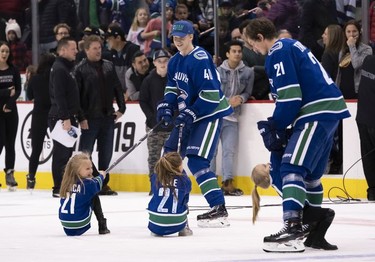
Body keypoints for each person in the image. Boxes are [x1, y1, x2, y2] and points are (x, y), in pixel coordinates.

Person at [244, 18, 350, 252]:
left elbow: (291, 97)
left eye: (253, 44)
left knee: (291, 167)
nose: (254, 50)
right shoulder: (292, 46)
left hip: (315, 113)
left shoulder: (278, 52)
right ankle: (314, 232)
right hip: (328, 112)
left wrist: (276, 125)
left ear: (261, 37)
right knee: (311, 176)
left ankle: (293, 227)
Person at [156, 20, 233, 227]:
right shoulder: (173, 62)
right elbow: (172, 88)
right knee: (169, 156)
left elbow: (210, 95)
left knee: (197, 162)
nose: (178, 40)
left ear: (191, 36)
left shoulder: (200, 59)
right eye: (175, 37)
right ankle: (172, 201)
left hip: (208, 114)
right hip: (190, 114)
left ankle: (218, 208)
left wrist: (190, 111)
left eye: (182, 36)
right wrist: (166, 106)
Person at [251, 152, 338, 250]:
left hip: (301, 210)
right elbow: (275, 153)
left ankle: (311, 240)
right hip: (301, 212)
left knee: (318, 216)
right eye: (264, 166)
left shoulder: (276, 179)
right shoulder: (274, 173)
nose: (267, 163)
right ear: (266, 176)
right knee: (329, 214)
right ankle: (318, 240)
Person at [75, 35, 126, 196]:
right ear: (87, 50)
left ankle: (102, 183)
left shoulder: (109, 66)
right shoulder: (80, 69)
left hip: (107, 117)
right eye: (95, 48)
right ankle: (86, 181)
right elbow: (76, 97)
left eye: (100, 48)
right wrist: (81, 117)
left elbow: (118, 88)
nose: (98, 51)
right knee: (86, 153)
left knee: (106, 153)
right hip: (89, 118)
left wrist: (122, 108)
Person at [211, 40, 254, 196]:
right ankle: (210, 183)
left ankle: (227, 183)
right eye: (234, 51)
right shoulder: (216, 71)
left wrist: (241, 99)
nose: (237, 54)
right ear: (227, 54)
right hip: (215, 116)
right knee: (212, 151)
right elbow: (212, 92)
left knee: (229, 151)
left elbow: (247, 92)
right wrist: (226, 101)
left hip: (232, 118)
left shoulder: (248, 72)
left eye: (239, 51)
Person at [48, 37, 80, 198]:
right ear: (63, 50)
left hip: (66, 116)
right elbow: (59, 95)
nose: (76, 51)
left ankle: (64, 185)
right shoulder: (60, 69)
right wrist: (65, 118)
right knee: (61, 153)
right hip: (61, 117)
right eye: (73, 48)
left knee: (66, 153)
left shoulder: (66, 68)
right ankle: (58, 187)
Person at [139, 48, 173, 192]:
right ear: (154, 63)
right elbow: (143, 101)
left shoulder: (175, 80)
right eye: (160, 61)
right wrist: (151, 118)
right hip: (154, 127)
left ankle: (170, 185)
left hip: (172, 127)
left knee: (170, 159)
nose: (163, 64)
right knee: (153, 158)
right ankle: (154, 185)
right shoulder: (148, 80)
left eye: (165, 61)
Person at [59, 153, 110, 236]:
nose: (91, 171)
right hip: (80, 224)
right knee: (94, 194)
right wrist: (101, 175)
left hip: (66, 225)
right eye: (87, 169)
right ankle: (102, 224)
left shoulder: (67, 183)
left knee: (87, 195)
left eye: (91, 168)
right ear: (77, 171)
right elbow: (96, 184)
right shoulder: (88, 184)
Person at [26, 53, 56, 190]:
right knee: (59, 149)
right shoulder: (55, 78)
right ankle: (59, 178)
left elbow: (29, 95)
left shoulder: (35, 78)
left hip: (38, 115)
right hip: (54, 114)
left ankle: (31, 177)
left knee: (36, 149)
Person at [148, 152, 192, 236]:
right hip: (178, 222)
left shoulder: (155, 177)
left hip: (155, 223)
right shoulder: (185, 180)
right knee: (184, 201)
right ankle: (184, 228)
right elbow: (185, 198)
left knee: (155, 198)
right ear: (179, 166)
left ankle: (156, 229)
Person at [0, 41, 21, 191]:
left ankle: (10, 174)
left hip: (11, 111)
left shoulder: (13, 69)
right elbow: (11, 91)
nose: (4, 54)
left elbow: (18, 90)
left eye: (6, 51)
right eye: (2, 51)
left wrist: (9, 103)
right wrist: (7, 91)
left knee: (10, 144)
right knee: (0, 142)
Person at [336, 20, 373, 99]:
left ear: (359, 32)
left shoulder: (366, 49)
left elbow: (356, 65)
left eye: (354, 31)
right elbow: (339, 73)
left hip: (357, 91)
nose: (351, 35)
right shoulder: (342, 50)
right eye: (348, 32)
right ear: (345, 33)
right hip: (342, 91)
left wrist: (352, 46)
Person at [356, 55, 375, 201]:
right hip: (368, 117)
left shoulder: (368, 60)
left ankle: (373, 191)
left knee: (368, 156)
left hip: (363, 117)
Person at [106, 24, 140, 97]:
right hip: (121, 95)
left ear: (118, 38)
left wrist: (129, 91)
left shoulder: (133, 50)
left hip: (133, 93)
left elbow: (136, 73)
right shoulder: (112, 53)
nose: (107, 41)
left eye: (109, 39)